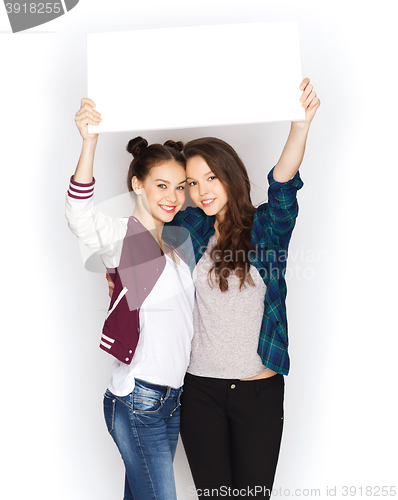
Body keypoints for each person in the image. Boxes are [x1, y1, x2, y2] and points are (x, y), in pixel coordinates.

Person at [108, 78, 320, 497]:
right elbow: (147, 219)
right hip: (200, 391)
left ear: (230, 176)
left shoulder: (265, 231)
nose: (201, 191)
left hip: (258, 392)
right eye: (191, 183)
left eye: (210, 179)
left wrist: (299, 127)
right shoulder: (188, 231)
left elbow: (282, 187)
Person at [65, 98, 196, 500]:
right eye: (161, 185)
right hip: (139, 399)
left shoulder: (178, 247)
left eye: (179, 187)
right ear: (137, 184)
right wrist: (89, 143)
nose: (172, 197)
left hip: (171, 400)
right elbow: (80, 217)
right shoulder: (124, 236)